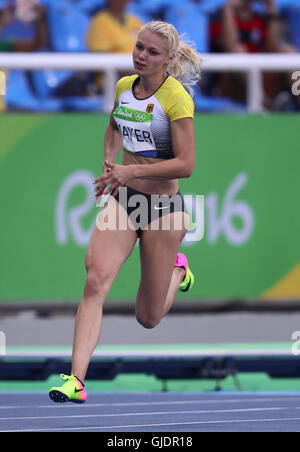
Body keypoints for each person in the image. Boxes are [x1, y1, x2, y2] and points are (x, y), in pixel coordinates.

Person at [49, 20, 202, 403]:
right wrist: (108, 163)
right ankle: (76, 380)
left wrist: (131, 169)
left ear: (167, 59)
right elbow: (113, 127)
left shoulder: (176, 98)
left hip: (164, 209)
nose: (141, 55)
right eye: (138, 47)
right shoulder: (123, 87)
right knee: (94, 281)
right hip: (125, 201)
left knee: (147, 317)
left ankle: (178, 269)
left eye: (151, 52)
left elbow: (186, 165)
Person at [210, 0, 300, 110]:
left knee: (288, 52)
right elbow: (230, 44)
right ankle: (265, 103)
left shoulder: (259, 18)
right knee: (239, 51)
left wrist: (271, 10)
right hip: (232, 80)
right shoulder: (219, 16)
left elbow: (272, 48)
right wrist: (228, 9)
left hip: (261, 77)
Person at [86, 0, 143, 92]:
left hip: (138, 79)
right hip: (111, 84)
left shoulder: (135, 21)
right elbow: (100, 58)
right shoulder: (99, 22)